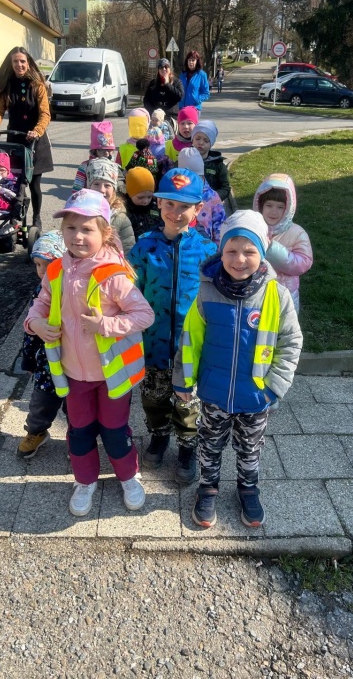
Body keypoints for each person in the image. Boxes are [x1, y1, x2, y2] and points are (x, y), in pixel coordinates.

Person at [24, 189, 155, 516]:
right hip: (73, 374)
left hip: (111, 375)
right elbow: (40, 304)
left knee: (115, 430)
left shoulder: (113, 274)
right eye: (71, 228)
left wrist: (105, 325)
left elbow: (144, 315)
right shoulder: (56, 270)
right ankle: (85, 481)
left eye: (87, 229)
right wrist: (35, 323)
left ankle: (128, 476)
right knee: (79, 431)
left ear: (105, 233)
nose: (78, 236)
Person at [173, 210, 302, 528]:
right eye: (231, 250)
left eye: (249, 251)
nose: (239, 259)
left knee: (250, 448)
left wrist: (273, 388)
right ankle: (207, 489)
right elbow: (190, 340)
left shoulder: (276, 295)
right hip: (214, 393)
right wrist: (184, 380)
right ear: (221, 251)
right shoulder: (206, 293)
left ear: (263, 252)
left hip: (256, 396)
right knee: (210, 444)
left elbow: (290, 343)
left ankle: (248, 488)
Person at [128, 169, 217, 485]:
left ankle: (187, 447)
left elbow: (216, 298)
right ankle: (159, 435)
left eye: (184, 206)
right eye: (170, 204)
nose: (176, 213)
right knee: (153, 397)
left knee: (188, 402)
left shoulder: (207, 252)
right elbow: (129, 291)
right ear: (158, 204)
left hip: (189, 347)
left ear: (198, 209)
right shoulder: (143, 247)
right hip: (152, 343)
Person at [0, 46, 53, 230]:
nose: (19, 64)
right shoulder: (7, 85)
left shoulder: (38, 85)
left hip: (35, 141)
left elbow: (45, 113)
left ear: (28, 63)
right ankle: (14, 217)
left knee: (34, 185)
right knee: (13, 182)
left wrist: (37, 130)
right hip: (15, 141)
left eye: (22, 61)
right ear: (11, 64)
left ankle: (36, 218)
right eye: (15, 61)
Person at [18, 231, 67, 459]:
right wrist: (28, 358)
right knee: (41, 402)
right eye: (38, 264)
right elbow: (31, 332)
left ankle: (78, 439)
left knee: (76, 408)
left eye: (49, 265)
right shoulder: (41, 291)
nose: (42, 271)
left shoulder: (77, 289)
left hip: (77, 363)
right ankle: (36, 432)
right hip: (47, 364)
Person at [253, 173, 313, 313]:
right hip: (255, 293)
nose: (274, 211)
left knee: (284, 325)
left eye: (280, 207)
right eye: (269, 205)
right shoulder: (252, 228)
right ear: (260, 205)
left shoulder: (297, 233)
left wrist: (272, 249)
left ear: (288, 208)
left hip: (284, 296)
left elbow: (304, 263)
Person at [86, 158, 135, 256]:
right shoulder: (79, 212)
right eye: (96, 184)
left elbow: (128, 249)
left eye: (107, 185)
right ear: (89, 187)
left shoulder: (120, 218)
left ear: (114, 190)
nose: (101, 189)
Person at [177, 147, 225, 244]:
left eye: (196, 178)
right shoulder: (176, 196)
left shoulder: (212, 196)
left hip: (206, 246)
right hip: (181, 244)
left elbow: (220, 225)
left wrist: (217, 248)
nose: (193, 183)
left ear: (202, 176)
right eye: (188, 179)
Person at [191, 120, 230, 201]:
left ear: (211, 144)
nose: (201, 142)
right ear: (192, 140)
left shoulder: (218, 164)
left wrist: (213, 198)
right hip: (188, 203)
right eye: (197, 138)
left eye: (206, 140)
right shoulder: (184, 159)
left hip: (210, 204)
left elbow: (225, 188)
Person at [72, 121, 117, 193]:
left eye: (109, 150)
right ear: (94, 151)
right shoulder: (85, 166)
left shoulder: (114, 166)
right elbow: (76, 190)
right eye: (101, 150)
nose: (106, 153)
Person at [123, 166, 161, 241]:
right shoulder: (125, 211)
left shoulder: (156, 207)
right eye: (140, 197)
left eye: (149, 197)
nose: (146, 201)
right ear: (130, 194)